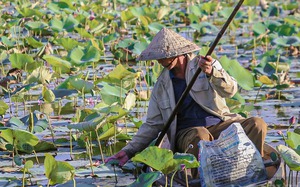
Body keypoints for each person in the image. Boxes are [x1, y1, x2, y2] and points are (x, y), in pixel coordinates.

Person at [105, 27, 268, 178]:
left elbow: (231, 90)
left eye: (164, 56)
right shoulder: (161, 86)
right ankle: (200, 177)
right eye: (158, 57)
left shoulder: (206, 64)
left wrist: (212, 72)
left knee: (257, 123)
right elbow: (152, 125)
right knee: (200, 134)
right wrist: (129, 151)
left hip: (220, 124)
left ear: (178, 53)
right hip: (187, 134)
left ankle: (251, 168)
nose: (160, 61)